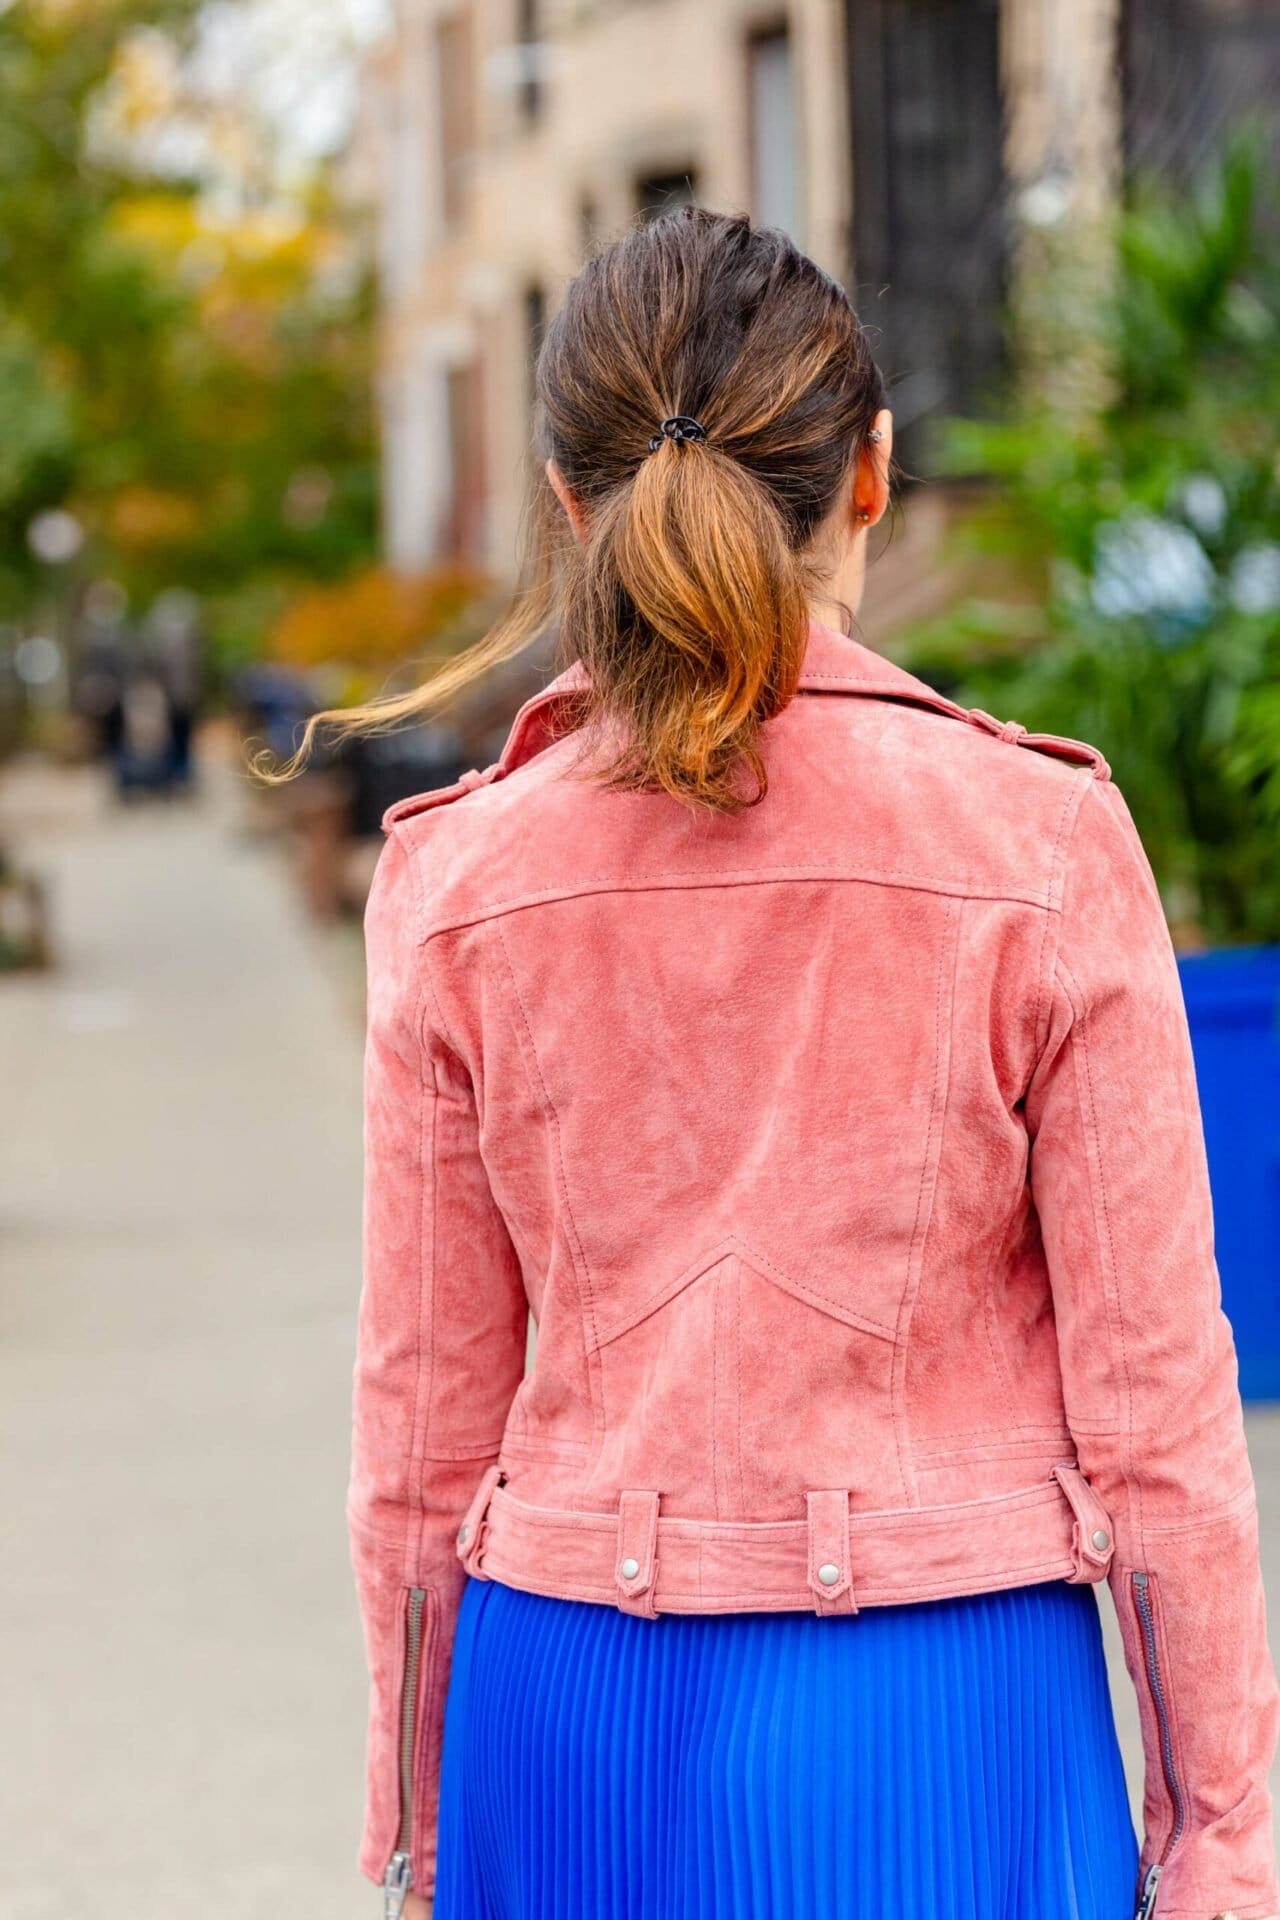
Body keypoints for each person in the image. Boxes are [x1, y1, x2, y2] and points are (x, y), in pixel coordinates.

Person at [272, 209, 1280, 1920]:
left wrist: (418, 1837)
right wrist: (1228, 1852)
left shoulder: (455, 880)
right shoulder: (1043, 839)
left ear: (565, 500)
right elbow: (1161, 1419)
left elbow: (423, 1438)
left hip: (565, 1715)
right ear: (872, 475)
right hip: (948, 1713)